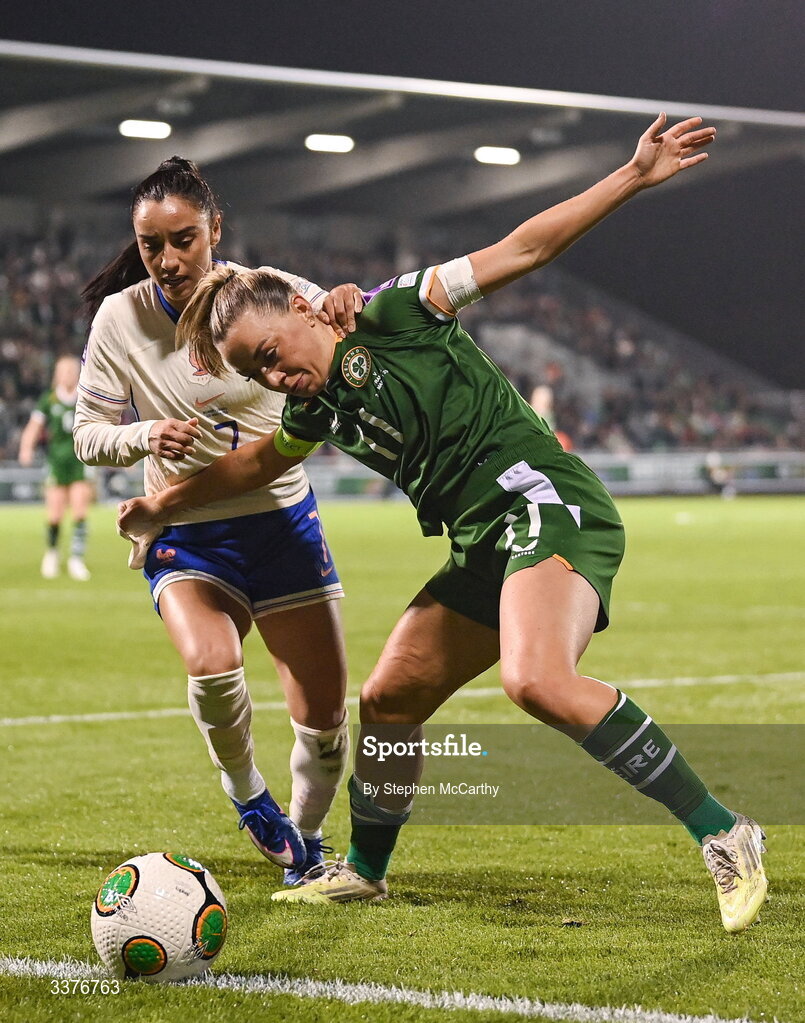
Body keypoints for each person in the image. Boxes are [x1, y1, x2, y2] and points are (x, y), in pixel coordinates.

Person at [118, 116, 768, 933]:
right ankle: (365, 871)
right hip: (482, 543)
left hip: (545, 506)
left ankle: (723, 829)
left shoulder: (396, 309)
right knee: (389, 696)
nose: (277, 376)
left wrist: (631, 176)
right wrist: (160, 504)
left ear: (303, 307)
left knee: (535, 680)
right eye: (257, 372)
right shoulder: (313, 402)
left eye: (272, 351)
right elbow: (256, 464)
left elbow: (523, 249)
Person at [75, 157, 363, 883]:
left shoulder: (274, 293)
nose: (168, 259)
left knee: (326, 727)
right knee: (211, 663)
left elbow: (339, 334)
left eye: (184, 238)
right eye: (151, 244)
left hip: (282, 524)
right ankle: (248, 797)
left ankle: (304, 841)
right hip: (188, 537)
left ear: (215, 230)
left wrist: (350, 305)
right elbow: (87, 435)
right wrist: (143, 436)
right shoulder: (123, 317)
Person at [19, 354, 94, 581]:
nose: (67, 375)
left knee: (80, 511)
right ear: (57, 375)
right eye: (63, 371)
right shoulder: (49, 400)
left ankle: (76, 559)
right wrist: (26, 448)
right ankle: (52, 554)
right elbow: (34, 427)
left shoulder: (85, 398)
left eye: (71, 371)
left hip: (81, 461)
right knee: (55, 514)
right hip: (56, 462)